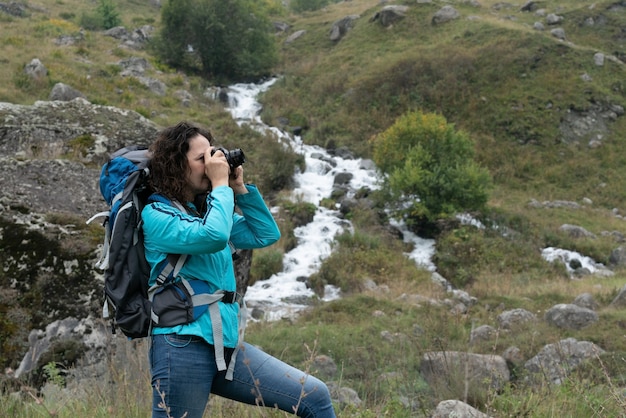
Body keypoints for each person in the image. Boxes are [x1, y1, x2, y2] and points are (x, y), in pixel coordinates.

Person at [142, 121, 336, 418]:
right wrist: (220, 186)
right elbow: (214, 236)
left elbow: (265, 234)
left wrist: (238, 189)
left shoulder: (206, 213)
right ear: (176, 166)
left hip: (225, 345)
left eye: (213, 156)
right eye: (201, 159)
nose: (211, 165)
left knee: (314, 397)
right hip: (181, 346)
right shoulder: (156, 215)